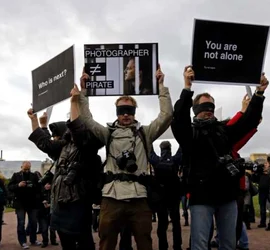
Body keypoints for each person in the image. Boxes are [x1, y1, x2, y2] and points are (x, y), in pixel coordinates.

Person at [171, 65, 267, 250]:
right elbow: (178, 120)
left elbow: (249, 121)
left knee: (229, 243)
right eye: (203, 106)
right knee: (199, 244)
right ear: (195, 109)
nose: (208, 110)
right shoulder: (189, 134)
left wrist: (259, 94)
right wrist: (186, 88)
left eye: (211, 106)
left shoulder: (224, 131)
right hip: (201, 196)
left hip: (227, 196)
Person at [78, 64, 172, 250]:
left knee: (145, 243)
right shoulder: (108, 134)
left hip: (139, 196)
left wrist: (161, 86)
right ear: (116, 113)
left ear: (135, 112)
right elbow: (86, 119)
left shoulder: (145, 133)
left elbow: (167, 115)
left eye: (130, 111)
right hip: (111, 197)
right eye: (122, 111)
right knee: (106, 243)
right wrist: (83, 91)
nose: (126, 115)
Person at [27, 83, 103, 250]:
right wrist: (36, 121)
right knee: (65, 240)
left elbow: (78, 131)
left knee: (84, 241)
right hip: (60, 201)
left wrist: (75, 102)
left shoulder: (89, 145)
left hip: (78, 200)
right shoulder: (64, 146)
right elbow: (45, 144)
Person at [149, 141, 182, 250]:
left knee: (162, 224)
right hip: (174, 195)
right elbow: (182, 149)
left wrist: (149, 139)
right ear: (170, 148)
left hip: (161, 196)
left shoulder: (156, 160)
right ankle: (177, 246)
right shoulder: (175, 160)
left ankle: (162, 246)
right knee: (176, 223)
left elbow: (149, 151)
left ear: (161, 148)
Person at [8, 162, 42, 249]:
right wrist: (18, 185)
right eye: (25, 169)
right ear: (21, 167)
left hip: (32, 203)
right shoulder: (16, 175)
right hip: (20, 203)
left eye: (28, 168)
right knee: (21, 223)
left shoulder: (34, 175)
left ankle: (33, 240)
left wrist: (32, 185)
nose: (27, 170)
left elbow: (39, 188)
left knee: (33, 222)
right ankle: (23, 241)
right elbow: (10, 187)